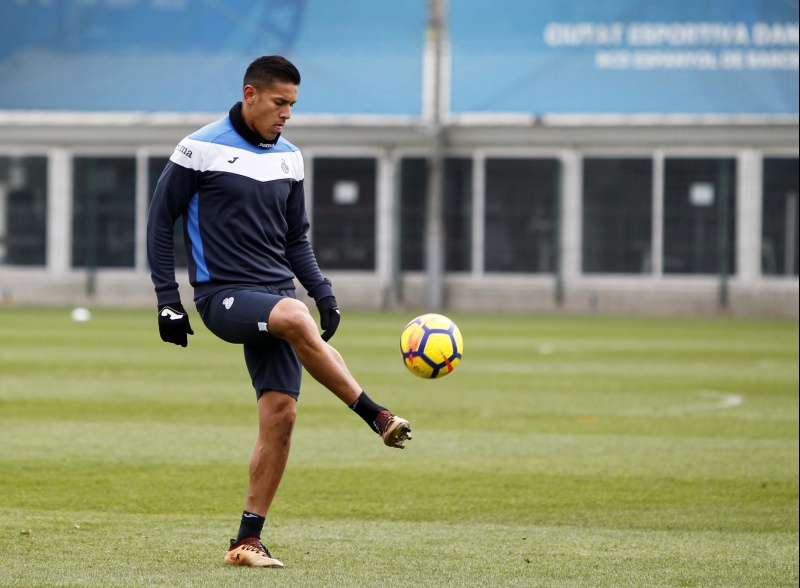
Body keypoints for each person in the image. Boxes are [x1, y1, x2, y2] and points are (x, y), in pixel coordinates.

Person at [146, 55, 411, 569]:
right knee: (292, 316)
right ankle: (375, 415)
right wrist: (167, 301)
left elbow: (295, 239)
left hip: (278, 294)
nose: (287, 113)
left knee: (281, 416)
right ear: (250, 94)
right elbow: (160, 222)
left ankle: (246, 541)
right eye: (279, 102)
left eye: (292, 104)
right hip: (222, 296)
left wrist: (323, 292)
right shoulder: (199, 148)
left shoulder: (290, 157)